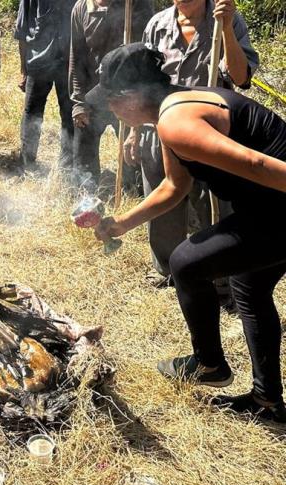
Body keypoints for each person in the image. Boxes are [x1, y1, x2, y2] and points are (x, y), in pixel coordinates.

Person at [92, 42, 286, 422]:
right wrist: (121, 224)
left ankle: (209, 364)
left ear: (131, 97)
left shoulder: (175, 123)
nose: (111, 111)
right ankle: (267, 400)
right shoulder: (175, 107)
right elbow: (173, 187)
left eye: (112, 102)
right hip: (269, 206)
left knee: (184, 262)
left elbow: (255, 163)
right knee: (249, 285)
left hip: (279, 205)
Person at [124, 0, 259, 289]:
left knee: (214, 207)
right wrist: (134, 131)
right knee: (163, 204)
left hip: (209, 134)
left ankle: (221, 279)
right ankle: (167, 269)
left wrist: (226, 30)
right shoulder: (158, 24)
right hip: (160, 128)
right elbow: (141, 86)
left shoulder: (227, 20)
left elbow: (241, 77)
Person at [69, 0, 153, 192]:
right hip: (94, 92)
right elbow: (76, 58)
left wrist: (141, 104)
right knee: (83, 140)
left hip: (128, 93)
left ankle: (136, 191)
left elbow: (146, 56)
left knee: (133, 148)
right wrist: (78, 101)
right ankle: (86, 192)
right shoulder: (82, 8)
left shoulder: (136, 5)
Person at [14, 0, 75, 171]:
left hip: (68, 64)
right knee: (32, 112)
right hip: (38, 62)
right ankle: (28, 164)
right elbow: (22, 29)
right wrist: (23, 70)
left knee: (69, 114)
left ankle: (66, 167)